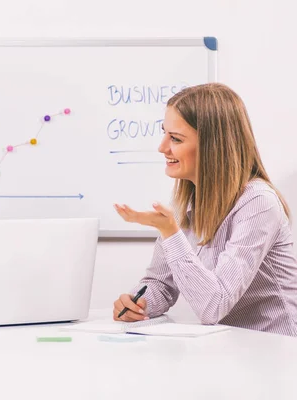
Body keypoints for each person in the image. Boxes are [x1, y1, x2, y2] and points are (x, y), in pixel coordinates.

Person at [112, 83, 297, 336]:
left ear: (213, 146)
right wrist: (139, 302)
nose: (162, 147)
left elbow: (214, 306)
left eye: (175, 138)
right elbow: (160, 284)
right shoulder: (185, 202)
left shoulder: (258, 203)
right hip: (229, 347)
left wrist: (170, 232)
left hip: (276, 349)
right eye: (165, 133)